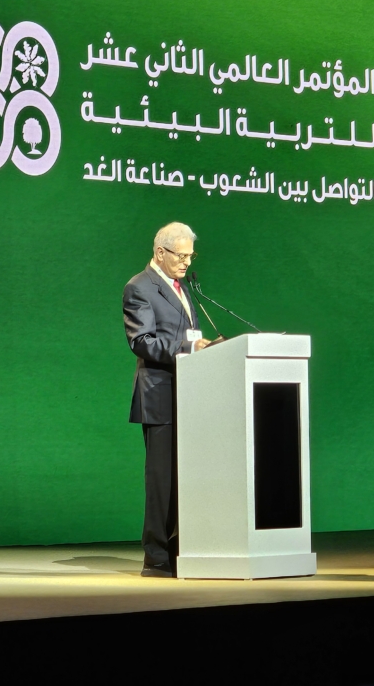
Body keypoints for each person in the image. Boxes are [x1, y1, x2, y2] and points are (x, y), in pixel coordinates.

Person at [123, 222, 209, 578]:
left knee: (185, 479)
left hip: (188, 394)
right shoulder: (140, 287)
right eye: (181, 255)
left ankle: (181, 551)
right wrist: (189, 346)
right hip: (160, 397)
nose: (187, 262)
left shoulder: (182, 287)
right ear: (160, 252)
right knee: (162, 481)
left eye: (191, 256)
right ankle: (157, 558)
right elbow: (141, 341)